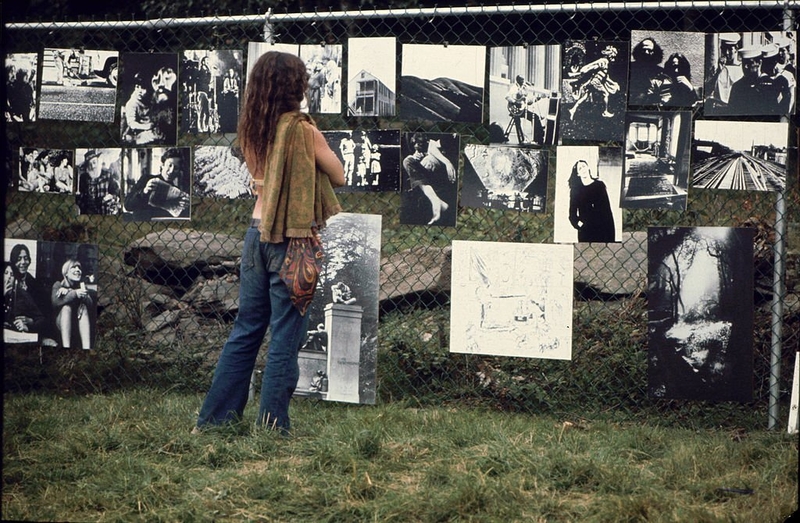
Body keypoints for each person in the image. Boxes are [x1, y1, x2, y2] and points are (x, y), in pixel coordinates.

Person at [193, 51, 344, 436]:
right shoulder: (303, 129)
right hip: (291, 239)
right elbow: (338, 175)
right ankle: (273, 426)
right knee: (285, 335)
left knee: (246, 329)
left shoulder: (250, 130)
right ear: (296, 87)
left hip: (255, 237)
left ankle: (213, 421)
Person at [402, 132, 456, 225]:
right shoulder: (416, 147)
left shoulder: (432, 144)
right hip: (424, 177)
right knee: (408, 160)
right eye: (415, 144)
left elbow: (436, 150)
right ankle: (437, 201)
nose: (417, 146)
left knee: (426, 162)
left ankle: (436, 202)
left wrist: (448, 163)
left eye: (419, 144)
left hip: (438, 173)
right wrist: (416, 156)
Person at [125, 148, 190, 220]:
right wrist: (144, 191)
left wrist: (183, 206)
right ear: (162, 165)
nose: (171, 171)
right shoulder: (146, 179)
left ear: (179, 171)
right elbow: (128, 205)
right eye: (169, 165)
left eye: (176, 168)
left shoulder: (177, 192)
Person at [567, 45, 620, 120]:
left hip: (594, 82)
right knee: (606, 94)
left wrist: (613, 83)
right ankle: (605, 111)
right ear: (610, 55)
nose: (613, 58)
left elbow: (605, 77)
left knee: (584, 97)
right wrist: (579, 73)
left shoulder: (606, 62)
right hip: (596, 82)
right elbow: (592, 67)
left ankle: (573, 109)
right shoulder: (603, 61)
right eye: (613, 56)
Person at [567, 159, 615, 243]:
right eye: (580, 168)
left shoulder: (599, 186)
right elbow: (572, 214)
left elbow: (607, 210)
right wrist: (580, 225)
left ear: (588, 167)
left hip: (602, 229)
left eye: (584, 166)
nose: (583, 169)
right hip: (586, 233)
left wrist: (610, 232)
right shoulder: (576, 190)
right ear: (578, 173)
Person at [51, 259, 93, 349]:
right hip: (62, 322)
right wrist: (74, 293)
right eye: (73, 267)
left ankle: (87, 348)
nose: (78, 270)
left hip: (79, 322)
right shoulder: (58, 285)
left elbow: (90, 304)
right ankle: (66, 347)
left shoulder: (82, 285)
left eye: (79, 268)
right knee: (66, 308)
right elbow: (55, 302)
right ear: (66, 273)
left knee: (84, 307)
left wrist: (82, 295)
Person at [4, 254, 45, 336]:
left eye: (12, 275)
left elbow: (41, 319)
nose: (8, 277)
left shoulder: (21, 294)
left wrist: (28, 327)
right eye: (5, 273)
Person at [726, 47, 771, 115]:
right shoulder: (737, 87)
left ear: (759, 63)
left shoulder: (768, 84)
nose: (745, 67)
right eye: (744, 64)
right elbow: (731, 112)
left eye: (749, 63)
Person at [77, 149, 120, 215]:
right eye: (90, 164)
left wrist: (111, 196)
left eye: (94, 162)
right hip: (89, 213)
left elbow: (116, 191)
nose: (93, 166)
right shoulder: (83, 177)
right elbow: (81, 196)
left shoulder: (107, 175)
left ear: (98, 162)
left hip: (105, 212)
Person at [706, 32, 743, 110]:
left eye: (730, 49)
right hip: (717, 107)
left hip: (732, 107)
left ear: (736, 48)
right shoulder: (719, 68)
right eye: (724, 49)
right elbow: (709, 89)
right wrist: (718, 72)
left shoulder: (742, 68)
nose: (726, 53)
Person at [628, 37, 665, 106]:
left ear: (654, 52)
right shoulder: (630, 67)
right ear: (639, 51)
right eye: (644, 50)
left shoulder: (660, 71)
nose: (646, 53)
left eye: (649, 50)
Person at [121, 73, 155, 144]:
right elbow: (132, 124)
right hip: (138, 132)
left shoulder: (151, 100)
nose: (139, 91)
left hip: (152, 128)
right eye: (137, 87)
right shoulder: (132, 103)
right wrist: (146, 126)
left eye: (143, 88)